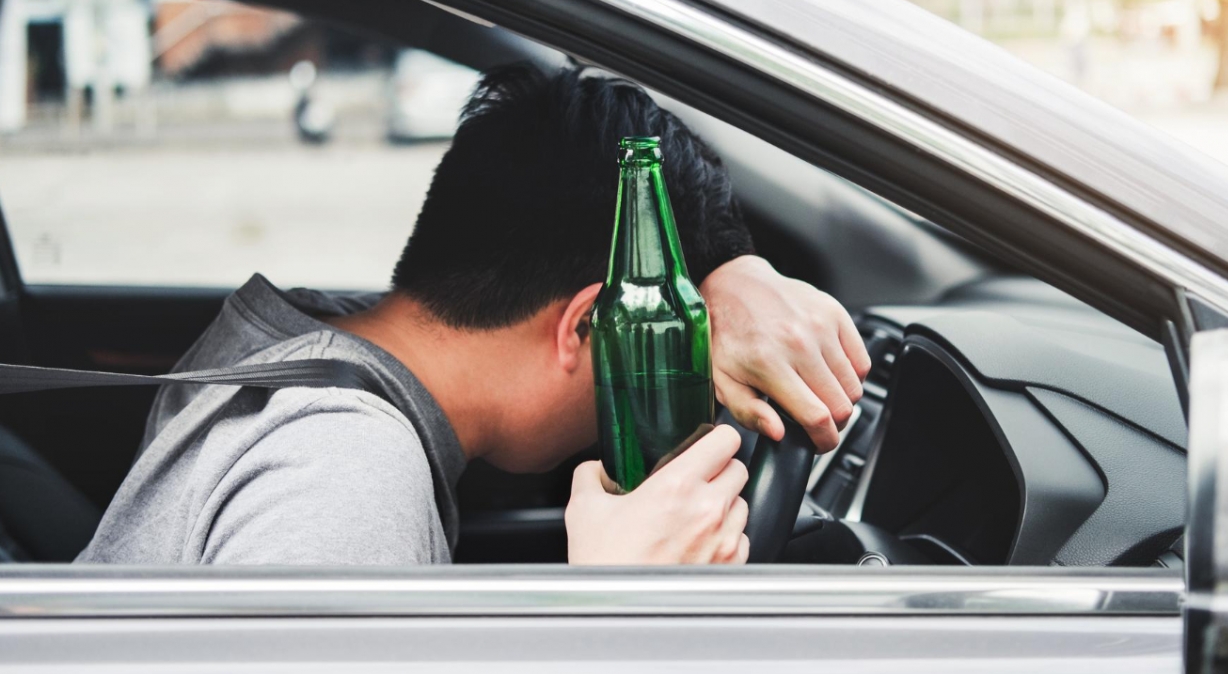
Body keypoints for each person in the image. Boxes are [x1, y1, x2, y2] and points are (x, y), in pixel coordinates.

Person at [77, 65, 870, 566]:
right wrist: (615, 606)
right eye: (661, 349)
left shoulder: (291, 342)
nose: (676, 391)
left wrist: (728, 271)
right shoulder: (344, 473)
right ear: (584, 327)